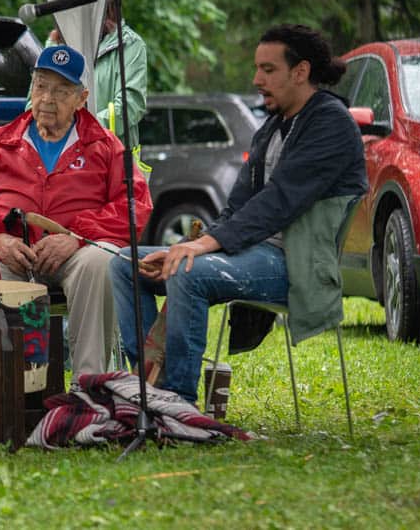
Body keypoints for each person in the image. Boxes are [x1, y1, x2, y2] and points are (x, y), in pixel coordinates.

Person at [109, 24, 368, 405]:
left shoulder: (331, 124)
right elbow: (236, 208)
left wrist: (201, 249)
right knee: (125, 264)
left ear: (301, 72)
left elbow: (278, 202)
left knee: (186, 271)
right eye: (257, 69)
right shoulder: (272, 127)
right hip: (248, 251)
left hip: (295, 263)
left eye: (268, 70)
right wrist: (190, 244)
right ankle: (148, 384)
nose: (256, 79)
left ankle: (176, 399)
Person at [0, 44, 152, 380]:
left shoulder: (105, 144)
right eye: (41, 86)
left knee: (103, 262)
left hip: (77, 257)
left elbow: (133, 205)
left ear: (81, 98)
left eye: (61, 90)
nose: (47, 98)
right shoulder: (1, 140)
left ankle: (89, 386)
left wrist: (77, 238)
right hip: (15, 257)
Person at [93, 0, 148, 147]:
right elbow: (34, 103)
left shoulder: (130, 44)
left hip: (112, 159)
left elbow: (130, 105)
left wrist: (80, 130)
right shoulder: (60, 43)